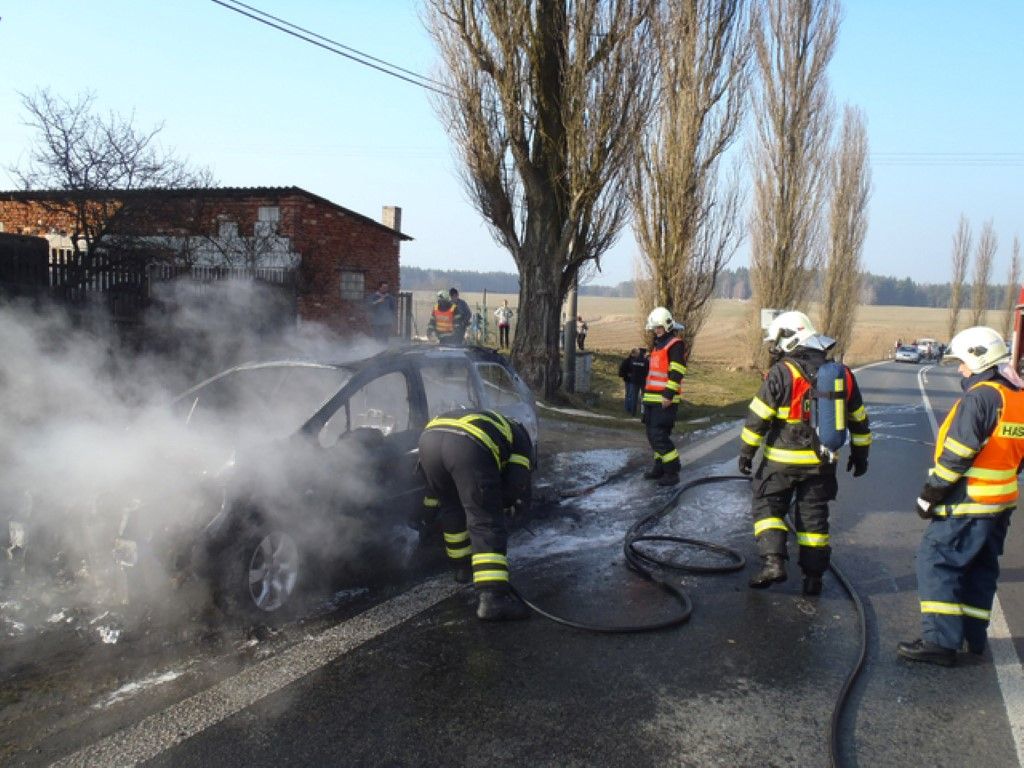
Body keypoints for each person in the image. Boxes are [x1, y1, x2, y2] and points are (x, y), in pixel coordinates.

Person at [897, 326, 1024, 666]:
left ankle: (940, 642)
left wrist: (930, 495)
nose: (960, 370)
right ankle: (973, 636)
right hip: (1001, 503)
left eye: (964, 363)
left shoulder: (981, 397)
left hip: (968, 502)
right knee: (980, 568)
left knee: (935, 561)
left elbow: (957, 454)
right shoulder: (1017, 396)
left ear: (979, 360)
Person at [737, 310, 872, 595]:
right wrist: (861, 456)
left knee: (767, 508)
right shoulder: (842, 374)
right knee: (813, 519)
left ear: (788, 338)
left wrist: (746, 452)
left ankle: (773, 563)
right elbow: (859, 419)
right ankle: (813, 578)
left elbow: (758, 416)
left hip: (780, 462)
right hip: (823, 463)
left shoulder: (782, 372)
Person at [416, 409, 534, 621]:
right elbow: (516, 483)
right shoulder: (522, 439)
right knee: (484, 519)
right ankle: (493, 598)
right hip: (467, 446)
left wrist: (426, 517)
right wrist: (506, 504)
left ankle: (462, 569)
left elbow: (433, 494)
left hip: (428, 441)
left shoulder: (493, 421)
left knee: (451, 507)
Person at [641, 307, 687, 486]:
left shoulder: (675, 344)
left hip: (664, 399)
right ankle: (659, 467)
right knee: (653, 435)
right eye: (654, 328)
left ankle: (672, 471)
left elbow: (677, 371)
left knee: (658, 435)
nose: (656, 330)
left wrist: (668, 394)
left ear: (667, 325)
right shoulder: (658, 344)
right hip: (652, 399)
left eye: (658, 327)